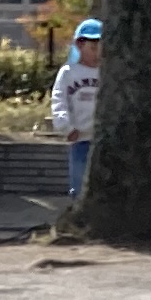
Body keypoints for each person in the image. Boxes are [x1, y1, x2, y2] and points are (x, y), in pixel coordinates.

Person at [49, 17, 103, 201]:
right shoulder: (68, 72)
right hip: (80, 137)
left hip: (103, 138)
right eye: (93, 48)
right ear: (80, 45)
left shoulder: (107, 72)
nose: (97, 53)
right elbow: (59, 100)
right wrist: (65, 126)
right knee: (79, 184)